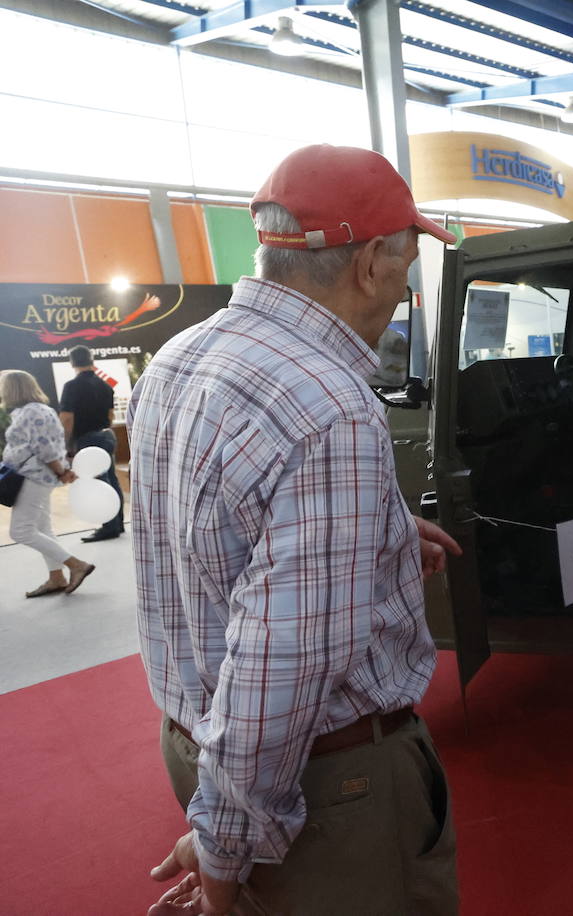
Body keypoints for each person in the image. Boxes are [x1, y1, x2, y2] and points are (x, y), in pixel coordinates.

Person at [129, 144, 462, 915]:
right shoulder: (332, 407)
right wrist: (222, 854)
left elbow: (200, 531)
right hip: (321, 787)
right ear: (374, 261)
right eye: (408, 262)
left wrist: (372, 527)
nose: (407, 283)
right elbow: (278, 678)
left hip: (192, 742)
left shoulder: (181, 356)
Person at [1, 369, 96, 597]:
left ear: (14, 388)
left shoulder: (33, 412)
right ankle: (56, 577)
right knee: (42, 528)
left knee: (20, 531)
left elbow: (46, 448)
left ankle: (76, 565)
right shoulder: (28, 411)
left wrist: (62, 471)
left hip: (32, 476)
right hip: (31, 475)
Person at [58, 344, 125, 542]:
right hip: (107, 435)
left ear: (72, 363)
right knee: (111, 480)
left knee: (99, 483)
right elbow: (110, 415)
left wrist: (65, 444)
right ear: (91, 360)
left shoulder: (71, 386)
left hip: (87, 438)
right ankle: (117, 523)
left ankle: (109, 527)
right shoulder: (106, 385)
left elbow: (67, 418)